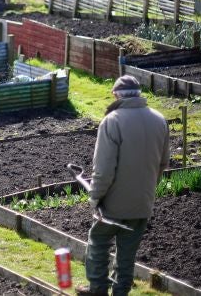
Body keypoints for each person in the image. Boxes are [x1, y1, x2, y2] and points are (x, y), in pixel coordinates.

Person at [77, 75, 170, 296]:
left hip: (114, 205)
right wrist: (147, 189)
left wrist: (95, 197)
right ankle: (121, 292)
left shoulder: (112, 121)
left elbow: (104, 169)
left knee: (98, 242)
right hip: (142, 203)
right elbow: (163, 162)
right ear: (139, 94)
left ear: (117, 95)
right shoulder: (159, 120)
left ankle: (97, 289)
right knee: (127, 253)